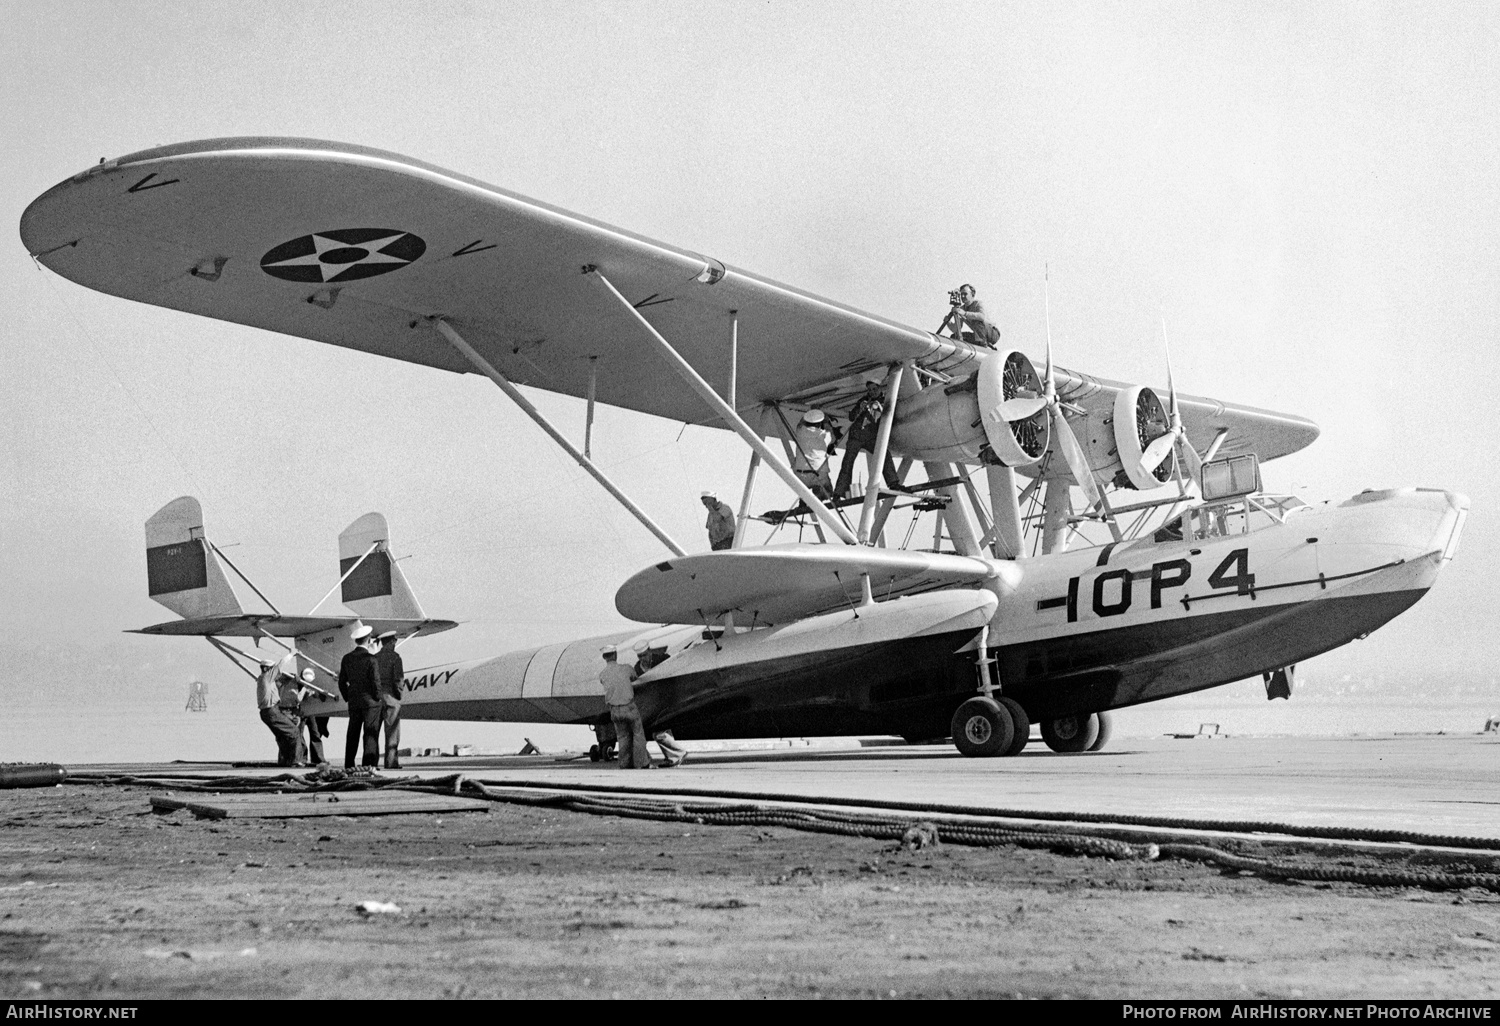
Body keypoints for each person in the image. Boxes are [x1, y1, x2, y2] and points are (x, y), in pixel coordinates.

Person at [833, 379, 903, 500]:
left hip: (871, 436)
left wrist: (880, 408)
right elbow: (851, 417)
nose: (872, 392)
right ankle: (839, 492)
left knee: (884, 455)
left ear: (880, 388)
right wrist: (860, 408)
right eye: (870, 390)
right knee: (847, 462)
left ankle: (893, 483)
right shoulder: (863, 400)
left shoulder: (886, 400)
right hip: (856, 436)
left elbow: (889, 418)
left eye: (874, 389)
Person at [599, 645, 651, 769]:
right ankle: (641, 763)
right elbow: (635, 677)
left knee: (623, 737)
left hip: (614, 711)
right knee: (638, 735)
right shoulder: (626, 668)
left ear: (604, 657)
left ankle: (624, 764)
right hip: (629, 707)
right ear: (616, 654)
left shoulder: (602, 674)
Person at [337, 624, 381, 769]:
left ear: (356, 641)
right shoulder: (371, 659)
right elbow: (375, 682)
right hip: (370, 702)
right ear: (368, 640)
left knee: (352, 734)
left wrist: (347, 697)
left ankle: (349, 764)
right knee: (370, 734)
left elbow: (342, 681)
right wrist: (378, 697)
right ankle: (368, 765)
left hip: (354, 701)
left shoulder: (347, 658)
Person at [255, 655, 302, 767]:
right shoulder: (267, 676)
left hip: (267, 712)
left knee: (282, 736)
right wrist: (292, 653)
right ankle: (295, 761)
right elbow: (280, 665)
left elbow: (278, 683)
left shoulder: (263, 679)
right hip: (271, 711)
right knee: (294, 732)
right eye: (272, 669)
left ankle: (285, 761)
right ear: (267, 669)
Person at [790, 409, 838, 500]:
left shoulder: (800, 431)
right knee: (828, 489)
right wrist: (826, 421)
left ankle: (804, 502)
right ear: (819, 424)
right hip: (818, 474)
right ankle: (821, 495)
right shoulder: (823, 436)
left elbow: (800, 423)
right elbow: (833, 437)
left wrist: (812, 413)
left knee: (806, 491)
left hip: (800, 474)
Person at [374, 630, 405, 769]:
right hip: (391, 698)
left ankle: (371, 763)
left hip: (375, 699)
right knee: (392, 732)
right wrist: (398, 696)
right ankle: (391, 762)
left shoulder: (374, 658)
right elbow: (398, 680)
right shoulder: (396, 657)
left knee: (372, 733)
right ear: (391, 642)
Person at [940, 284, 1000, 348]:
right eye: (961, 294)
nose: (962, 296)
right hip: (978, 335)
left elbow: (981, 317)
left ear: (972, 294)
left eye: (965, 294)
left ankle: (984, 346)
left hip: (992, 334)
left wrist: (965, 313)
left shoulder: (978, 303)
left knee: (978, 323)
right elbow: (956, 329)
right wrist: (948, 323)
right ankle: (983, 344)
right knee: (955, 336)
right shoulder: (962, 309)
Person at [300, 668, 330, 766]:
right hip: (301, 712)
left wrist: (321, 694)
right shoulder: (298, 684)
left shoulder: (314, 685)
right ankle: (302, 759)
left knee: (315, 734)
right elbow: (298, 698)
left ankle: (317, 759)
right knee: (299, 736)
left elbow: (322, 698)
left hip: (311, 712)